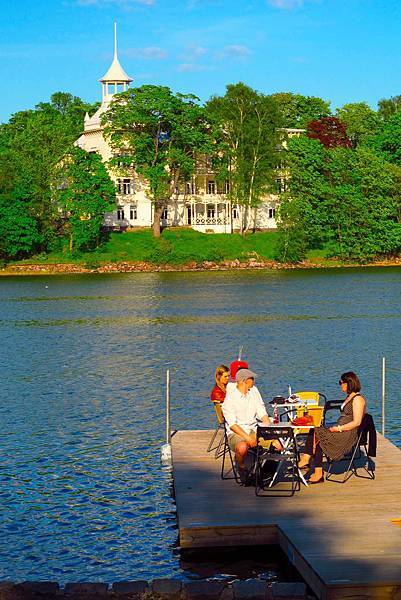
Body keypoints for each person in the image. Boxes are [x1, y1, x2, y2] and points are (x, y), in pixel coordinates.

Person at [298, 371, 366, 484]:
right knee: (315, 430)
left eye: (341, 382)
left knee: (319, 434)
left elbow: (357, 422)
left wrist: (338, 429)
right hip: (340, 429)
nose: (340, 385)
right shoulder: (349, 397)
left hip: (347, 434)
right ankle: (312, 465)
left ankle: (309, 462)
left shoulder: (358, 399)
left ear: (348, 383)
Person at [222, 368, 274, 476]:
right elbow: (232, 425)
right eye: (252, 379)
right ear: (245, 380)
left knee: (278, 444)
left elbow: (261, 412)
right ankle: (241, 466)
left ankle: (266, 470)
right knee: (242, 447)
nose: (254, 381)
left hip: (254, 429)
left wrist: (269, 426)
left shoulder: (253, 394)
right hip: (237, 433)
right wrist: (248, 438)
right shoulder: (230, 399)